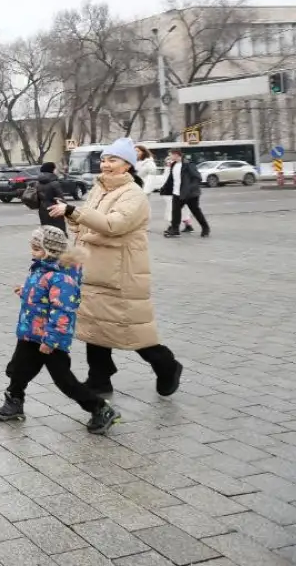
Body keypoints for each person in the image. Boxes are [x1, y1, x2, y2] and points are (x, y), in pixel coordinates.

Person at [48, 137, 184, 398]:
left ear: (128, 166)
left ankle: (167, 366)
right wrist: (71, 217)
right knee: (95, 327)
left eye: (113, 160)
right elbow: (87, 222)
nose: (106, 165)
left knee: (131, 328)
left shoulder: (133, 195)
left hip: (121, 272)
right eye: (104, 160)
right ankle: (99, 380)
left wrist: (75, 213)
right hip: (95, 268)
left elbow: (114, 225)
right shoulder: (99, 189)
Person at [0, 226, 121, 434]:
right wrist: (25, 292)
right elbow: (41, 297)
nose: (32, 251)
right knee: (18, 370)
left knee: (64, 380)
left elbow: (62, 311)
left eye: (36, 248)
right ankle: (14, 402)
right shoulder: (41, 268)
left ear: (50, 250)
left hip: (50, 339)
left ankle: (100, 408)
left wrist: (51, 340)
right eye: (32, 247)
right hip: (30, 333)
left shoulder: (62, 278)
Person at [160, 148, 209, 238]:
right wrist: (164, 189)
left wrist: (190, 189)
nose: (169, 157)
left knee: (196, 211)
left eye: (170, 155)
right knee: (175, 212)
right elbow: (171, 179)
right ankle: (175, 231)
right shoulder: (174, 165)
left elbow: (197, 177)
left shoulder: (188, 164)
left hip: (190, 194)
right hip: (177, 193)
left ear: (176, 154)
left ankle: (205, 228)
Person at [34, 162, 67, 232]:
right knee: (59, 231)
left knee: (47, 231)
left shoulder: (38, 183)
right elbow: (61, 199)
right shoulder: (54, 183)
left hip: (42, 210)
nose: (56, 170)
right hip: (55, 210)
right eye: (55, 168)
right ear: (51, 170)